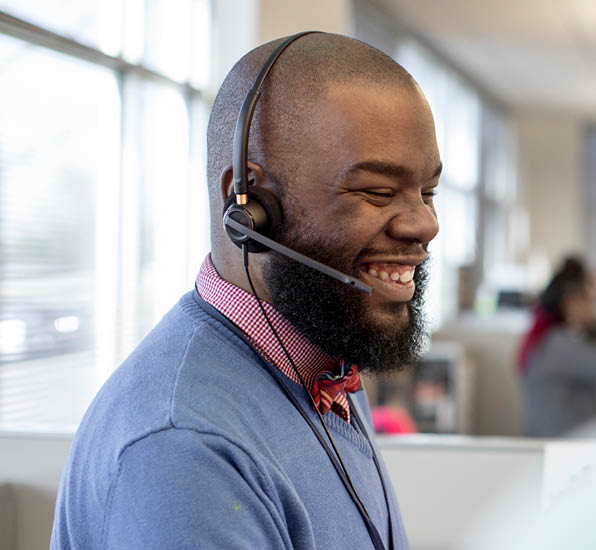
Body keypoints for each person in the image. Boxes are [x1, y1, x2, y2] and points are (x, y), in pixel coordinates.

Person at [51, 33, 441, 549]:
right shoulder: (187, 450)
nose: (425, 224)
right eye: (377, 191)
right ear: (250, 201)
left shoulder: (323, 359)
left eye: (427, 191)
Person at [518, 257, 596, 437]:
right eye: (590, 299)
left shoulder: (549, 337)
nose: (594, 307)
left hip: (564, 447)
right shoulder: (558, 344)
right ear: (571, 302)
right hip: (562, 450)